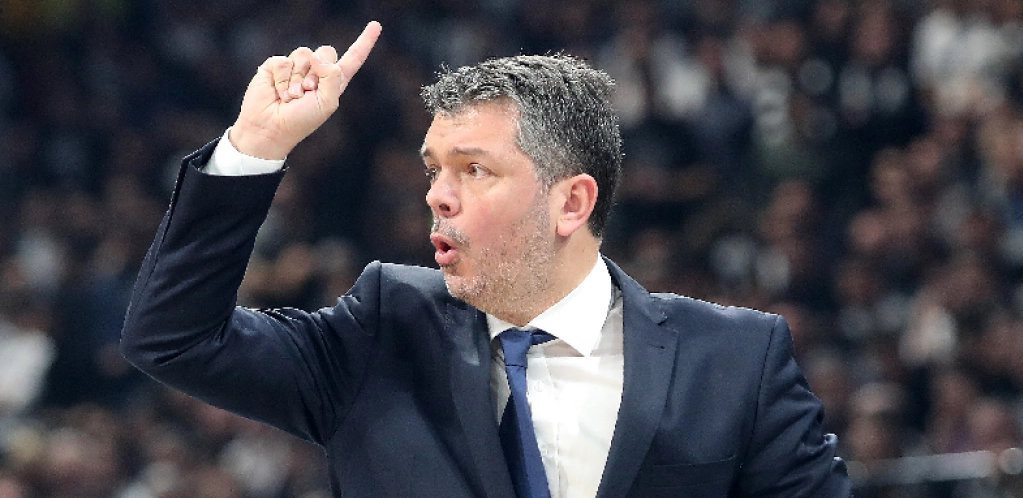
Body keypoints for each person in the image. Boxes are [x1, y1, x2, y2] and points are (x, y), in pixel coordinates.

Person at [120, 21, 852, 497]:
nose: (437, 195)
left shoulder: (736, 360)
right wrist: (255, 147)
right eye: (433, 169)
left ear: (572, 202)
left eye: (474, 169)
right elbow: (173, 338)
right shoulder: (379, 332)